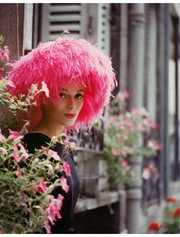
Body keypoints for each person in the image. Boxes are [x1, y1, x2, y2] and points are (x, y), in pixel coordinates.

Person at [8, 37, 117, 233]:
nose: (72, 105)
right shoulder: (33, 147)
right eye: (62, 94)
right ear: (42, 95)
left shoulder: (62, 144)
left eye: (78, 95)